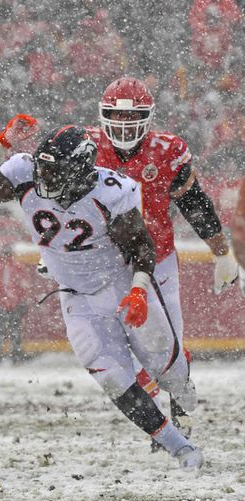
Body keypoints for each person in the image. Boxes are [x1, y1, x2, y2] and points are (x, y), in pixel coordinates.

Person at [0, 116, 203, 472]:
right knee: (113, 380)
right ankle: (179, 447)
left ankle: (181, 383)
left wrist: (138, 291)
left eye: (54, 172)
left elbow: (142, 248)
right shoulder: (26, 172)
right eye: (41, 169)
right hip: (76, 296)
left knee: (166, 370)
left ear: (79, 171)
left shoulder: (111, 190)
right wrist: (3, 141)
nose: (43, 179)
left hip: (121, 285)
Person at [89, 77, 240, 447]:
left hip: (157, 257)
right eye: (115, 116)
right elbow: (59, 205)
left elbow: (195, 204)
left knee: (168, 345)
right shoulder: (85, 148)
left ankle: (180, 412)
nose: (124, 126)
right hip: (105, 260)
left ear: (149, 116)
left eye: (133, 117)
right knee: (113, 346)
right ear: (102, 115)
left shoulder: (166, 150)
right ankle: (161, 426)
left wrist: (222, 253)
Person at [0, 240, 29, 365]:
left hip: (12, 304)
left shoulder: (17, 266)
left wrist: (22, 301)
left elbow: (23, 286)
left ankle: (15, 356)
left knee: (14, 333)